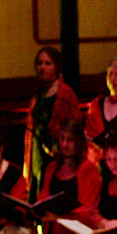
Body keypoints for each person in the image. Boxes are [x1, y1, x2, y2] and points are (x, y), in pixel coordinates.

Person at [24, 45, 79, 191]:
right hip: (38, 151)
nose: (43, 67)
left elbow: (74, 125)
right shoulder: (39, 93)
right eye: (40, 63)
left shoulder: (65, 93)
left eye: (48, 63)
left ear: (57, 66)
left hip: (57, 151)